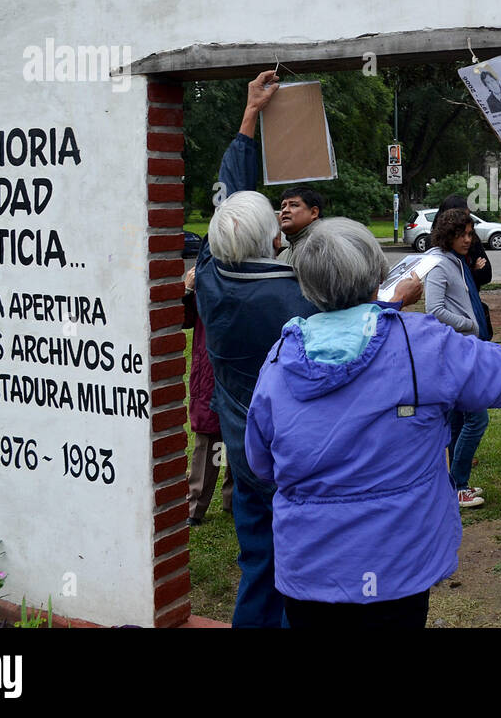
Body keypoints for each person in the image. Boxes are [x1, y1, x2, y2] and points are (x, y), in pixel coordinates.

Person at [195, 71, 423, 626]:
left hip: (247, 453)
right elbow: (350, 336)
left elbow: (230, 197)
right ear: (270, 241)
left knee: (259, 570)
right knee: (304, 580)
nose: (279, 219)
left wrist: (250, 116)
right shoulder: (295, 300)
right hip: (297, 460)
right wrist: (393, 300)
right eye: (271, 220)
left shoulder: (209, 275)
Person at [245, 218, 501, 628]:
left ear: (307, 284)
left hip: (311, 569)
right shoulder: (423, 342)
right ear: (378, 274)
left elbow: (261, 462)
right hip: (399, 566)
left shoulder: (280, 357)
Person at [423, 208, 494, 507]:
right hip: (453, 354)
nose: (468, 239)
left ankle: (452, 484)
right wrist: (469, 324)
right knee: (477, 419)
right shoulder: (439, 264)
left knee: (456, 420)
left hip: (464, 350)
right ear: (447, 234)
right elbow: (433, 309)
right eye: (462, 234)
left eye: (470, 233)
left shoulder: (456, 261)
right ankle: (458, 484)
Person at [183, 266, 233, 524]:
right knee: (209, 435)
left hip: (238, 364)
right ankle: (196, 505)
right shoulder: (205, 274)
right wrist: (189, 289)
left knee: (240, 435)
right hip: (209, 366)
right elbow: (184, 319)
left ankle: (232, 500)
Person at [276, 185, 324, 263]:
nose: (285, 210)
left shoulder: (325, 250)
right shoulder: (282, 256)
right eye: (283, 207)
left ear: (314, 212)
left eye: (293, 205)